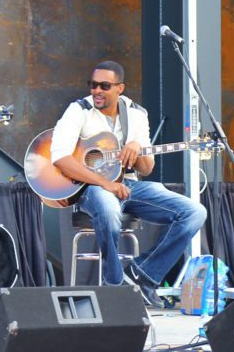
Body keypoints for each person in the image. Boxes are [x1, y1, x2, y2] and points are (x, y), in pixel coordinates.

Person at [50, 60, 206, 306]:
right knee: (109, 208)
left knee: (195, 212)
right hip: (90, 187)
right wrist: (105, 184)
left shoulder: (137, 114)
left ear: (120, 88)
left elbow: (146, 168)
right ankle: (114, 286)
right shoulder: (78, 110)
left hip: (128, 186)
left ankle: (142, 274)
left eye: (104, 85)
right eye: (93, 85)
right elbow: (60, 158)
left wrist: (138, 148)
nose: (96, 91)